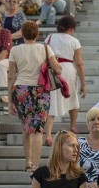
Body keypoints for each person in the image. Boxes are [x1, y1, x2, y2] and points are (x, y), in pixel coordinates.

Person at [8, 21, 61, 172]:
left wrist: (10, 100)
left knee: (26, 128)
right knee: (38, 130)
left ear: (22, 34)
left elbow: (11, 76)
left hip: (21, 90)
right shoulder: (44, 48)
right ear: (37, 34)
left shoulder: (15, 50)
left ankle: (28, 161)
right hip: (40, 90)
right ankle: (36, 165)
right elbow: (58, 69)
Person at [45, 15, 85, 144]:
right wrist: (83, 83)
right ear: (71, 29)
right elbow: (79, 63)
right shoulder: (74, 41)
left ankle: (49, 135)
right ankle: (72, 126)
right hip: (68, 69)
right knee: (72, 97)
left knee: (52, 100)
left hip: (52, 69)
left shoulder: (49, 38)